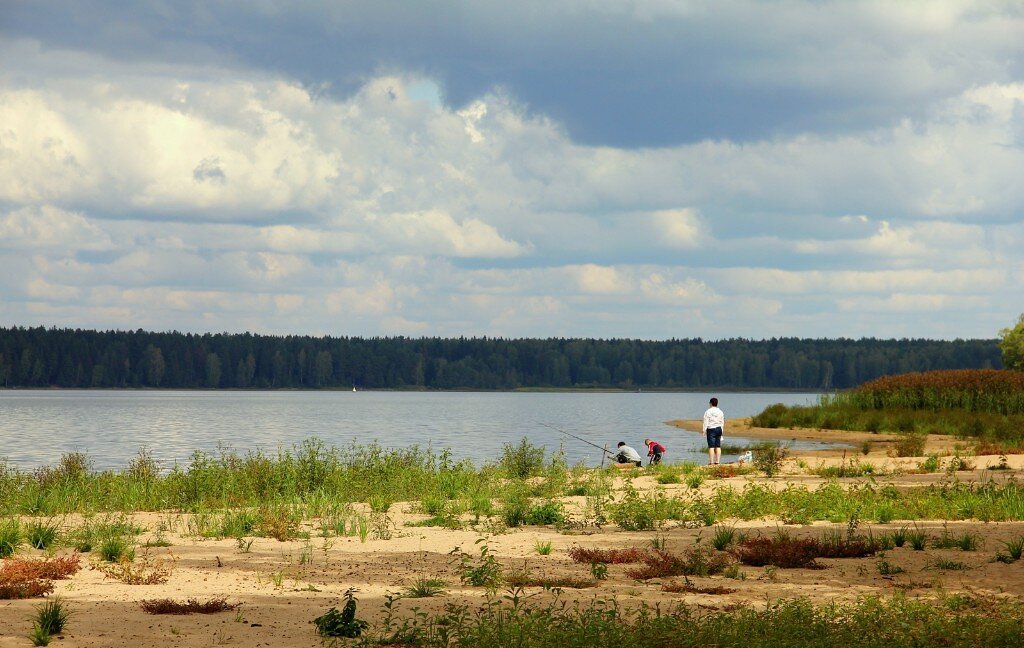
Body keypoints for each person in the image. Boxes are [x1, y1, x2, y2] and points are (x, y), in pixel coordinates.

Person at [702, 397, 724, 465]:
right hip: (719, 428)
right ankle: (717, 461)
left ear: (710, 403)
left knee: (711, 446)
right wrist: (722, 431)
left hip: (711, 429)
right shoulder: (720, 411)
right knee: (718, 446)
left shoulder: (708, 411)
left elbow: (706, 422)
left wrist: (704, 430)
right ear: (717, 403)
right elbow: (722, 422)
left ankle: (711, 462)